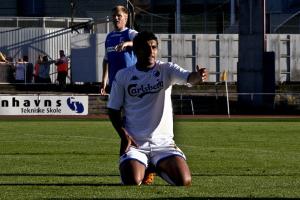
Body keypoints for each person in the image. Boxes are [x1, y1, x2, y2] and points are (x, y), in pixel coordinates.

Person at [107, 31, 208, 186]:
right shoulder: (123, 76)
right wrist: (124, 135)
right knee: (133, 181)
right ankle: (144, 167)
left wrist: (198, 76)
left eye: (154, 47)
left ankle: (156, 167)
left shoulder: (166, 69)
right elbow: (113, 110)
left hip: (164, 144)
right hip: (136, 143)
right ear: (135, 51)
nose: (150, 51)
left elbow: (189, 78)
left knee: (184, 181)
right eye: (145, 48)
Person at [100, 5, 138, 95]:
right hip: (114, 83)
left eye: (119, 16)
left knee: (131, 108)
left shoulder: (130, 33)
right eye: (114, 16)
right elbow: (106, 60)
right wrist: (104, 81)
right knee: (114, 108)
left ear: (126, 17)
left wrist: (127, 43)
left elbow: (143, 41)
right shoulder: (109, 37)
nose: (116, 18)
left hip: (131, 82)